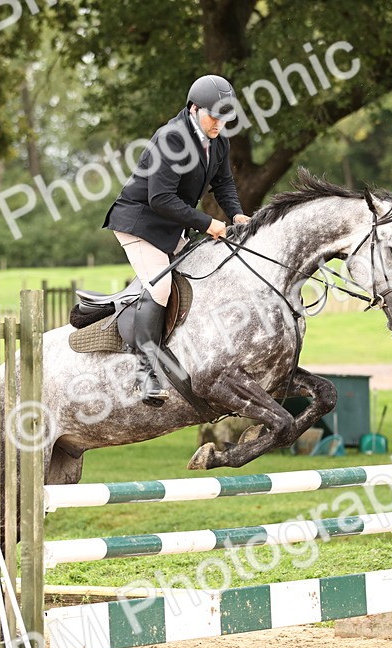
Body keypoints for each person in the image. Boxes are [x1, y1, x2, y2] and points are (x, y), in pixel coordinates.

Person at [102, 74, 251, 406]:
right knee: (161, 286)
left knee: (209, 271)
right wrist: (209, 223)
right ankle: (144, 373)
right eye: (214, 115)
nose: (220, 123)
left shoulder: (218, 139)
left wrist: (238, 214)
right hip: (139, 222)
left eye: (225, 117)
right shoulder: (171, 138)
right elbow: (160, 199)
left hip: (170, 226)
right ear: (195, 108)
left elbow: (224, 184)